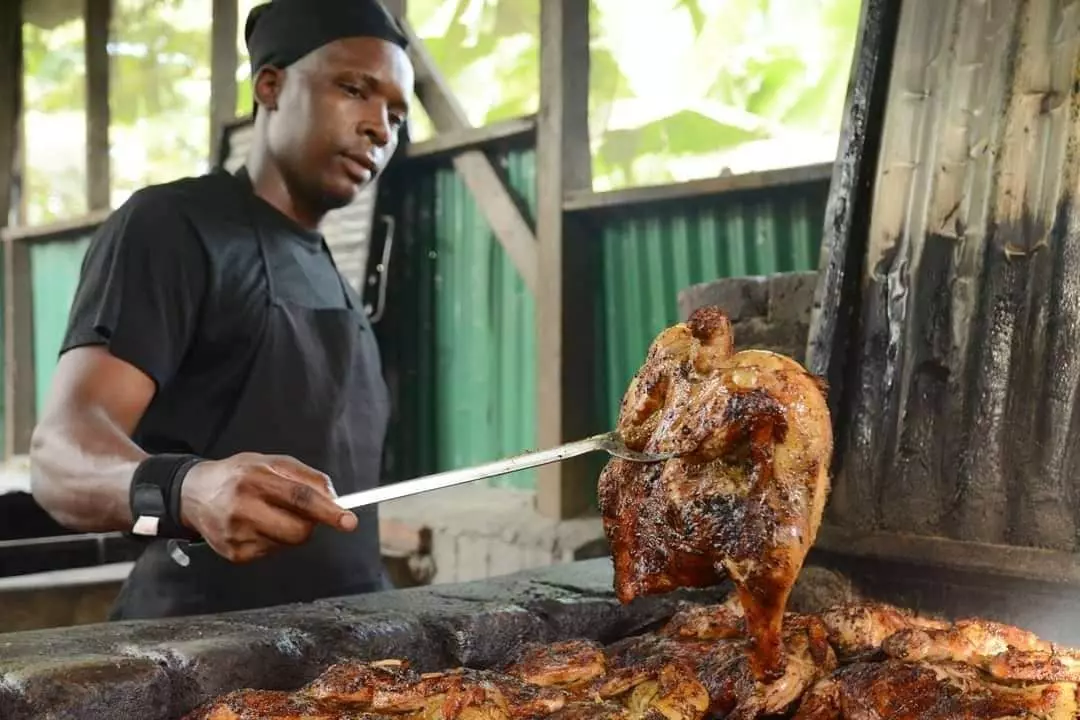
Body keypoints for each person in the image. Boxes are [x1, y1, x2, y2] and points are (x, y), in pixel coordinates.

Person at [28, 0, 414, 620]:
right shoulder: (172, 227)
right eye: (354, 90)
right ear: (271, 84)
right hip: (198, 648)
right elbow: (59, 454)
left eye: (397, 115)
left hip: (345, 648)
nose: (380, 128)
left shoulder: (338, 284)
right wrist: (187, 487)